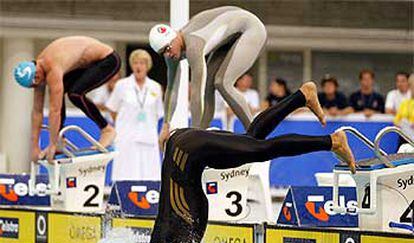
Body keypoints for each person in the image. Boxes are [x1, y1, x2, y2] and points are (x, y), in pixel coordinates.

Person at [135, 82, 355, 243]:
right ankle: (302, 96)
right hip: (181, 145)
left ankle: (332, 141)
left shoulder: (176, 240)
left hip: (189, 151)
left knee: (261, 149)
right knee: (251, 140)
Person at [148, 7, 283, 148]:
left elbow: (196, 95)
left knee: (222, 83)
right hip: (231, 35)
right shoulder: (171, 54)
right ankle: (202, 139)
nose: (168, 55)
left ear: (175, 36)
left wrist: (192, 139)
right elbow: (172, 89)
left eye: (168, 48)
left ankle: (257, 138)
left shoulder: (193, 45)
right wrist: (165, 125)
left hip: (252, 29)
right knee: (209, 86)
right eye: (162, 52)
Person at [14, 36, 121, 163]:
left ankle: (107, 129)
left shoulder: (52, 68)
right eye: (33, 87)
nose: (37, 87)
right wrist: (34, 147)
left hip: (108, 59)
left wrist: (53, 144)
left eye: (35, 84)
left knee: (75, 94)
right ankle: (61, 139)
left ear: (36, 75)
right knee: (64, 92)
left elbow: (55, 110)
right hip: (86, 64)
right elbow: (37, 111)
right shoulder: (38, 72)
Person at [106, 49, 163, 181]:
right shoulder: (121, 85)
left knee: (149, 172)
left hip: (148, 136)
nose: (138, 66)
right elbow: (112, 109)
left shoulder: (155, 87)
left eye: (142, 63)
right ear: (131, 65)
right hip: (126, 136)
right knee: (126, 171)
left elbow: (158, 114)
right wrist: (122, 127)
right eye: (136, 63)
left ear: (147, 66)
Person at [394, 74, 414, 140]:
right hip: (406, 136)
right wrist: (401, 124)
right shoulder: (405, 103)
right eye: (411, 85)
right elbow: (397, 119)